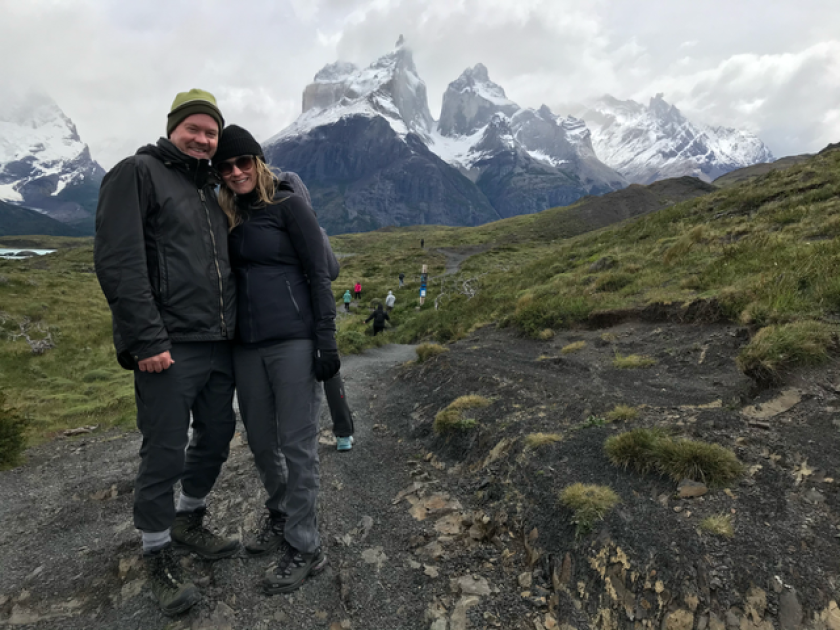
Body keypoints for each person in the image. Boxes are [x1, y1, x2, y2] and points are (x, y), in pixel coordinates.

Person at [94, 89, 238, 616]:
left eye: (211, 133)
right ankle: (155, 553)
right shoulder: (136, 172)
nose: (203, 139)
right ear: (173, 127)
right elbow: (118, 260)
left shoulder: (210, 188)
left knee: (219, 434)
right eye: (194, 129)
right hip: (169, 346)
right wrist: (146, 339)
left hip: (218, 342)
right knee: (164, 450)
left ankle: (188, 518)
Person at [213, 125, 339, 595]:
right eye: (225, 167)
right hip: (245, 346)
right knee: (263, 442)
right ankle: (281, 514)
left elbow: (318, 274)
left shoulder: (288, 204)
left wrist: (326, 341)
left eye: (243, 162)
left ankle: (306, 545)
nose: (236, 172)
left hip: (293, 341)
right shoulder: (226, 212)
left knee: (298, 444)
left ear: (259, 162)